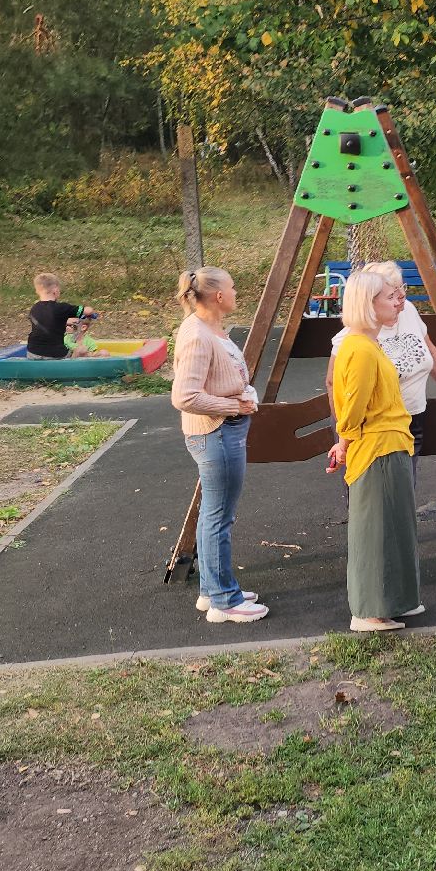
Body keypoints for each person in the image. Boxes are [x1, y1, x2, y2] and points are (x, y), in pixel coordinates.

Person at [325, 271, 425, 632]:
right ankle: (370, 609)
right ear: (368, 305)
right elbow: (353, 407)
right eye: (388, 297)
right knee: (376, 530)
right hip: (378, 447)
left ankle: (396, 598)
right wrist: (346, 442)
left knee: (395, 525)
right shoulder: (361, 348)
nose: (397, 301)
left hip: (390, 442)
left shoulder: (368, 343)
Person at [170, 267, 268, 623]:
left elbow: (228, 376)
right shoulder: (197, 335)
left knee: (215, 514)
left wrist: (245, 394)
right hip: (215, 432)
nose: (237, 291)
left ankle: (212, 590)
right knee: (218, 517)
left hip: (223, 430)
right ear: (219, 297)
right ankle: (225, 602)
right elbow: (185, 396)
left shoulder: (211, 328)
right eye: (232, 286)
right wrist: (233, 406)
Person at [328, 261, 436, 486]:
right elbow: (340, 390)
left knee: (403, 491)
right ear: (370, 300)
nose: (401, 300)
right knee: (377, 494)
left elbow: (430, 352)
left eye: (401, 289)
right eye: (392, 294)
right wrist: (344, 440)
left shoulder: (407, 315)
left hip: (409, 420)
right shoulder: (356, 342)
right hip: (378, 433)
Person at [26, 273, 101, 360]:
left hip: (32, 353)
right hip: (56, 354)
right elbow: (88, 311)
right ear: (56, 291)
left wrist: (67, 321)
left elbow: (49, 322)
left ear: (37, 291)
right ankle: (72, 366)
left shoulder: (34, 309)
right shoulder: (62, 308)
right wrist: (90, 311)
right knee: (81, 350)